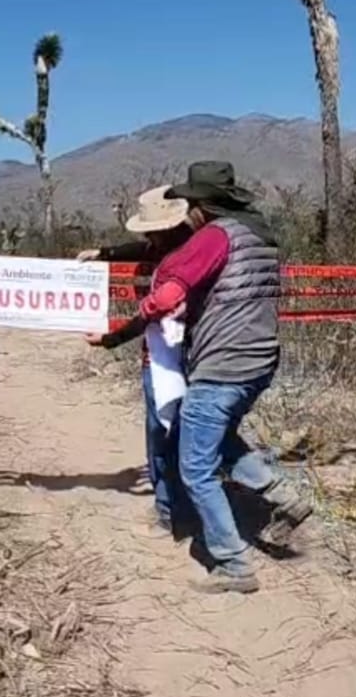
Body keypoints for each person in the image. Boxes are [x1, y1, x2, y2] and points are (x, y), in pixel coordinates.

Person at [153, 160, 311, 594]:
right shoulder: (259, 234)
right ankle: (280, 491)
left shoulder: (214, 236)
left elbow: (170, 289)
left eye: (189, 204)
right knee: (212, 435)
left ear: (201, 206)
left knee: (196, 469)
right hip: (259, 359)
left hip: (224, 363)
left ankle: (233, 565)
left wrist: (147, 309)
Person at [81, 186, 195, 537]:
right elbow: (142, 250)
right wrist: (105, 253)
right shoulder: (198, 247)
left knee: (163, 433)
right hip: (195, 353)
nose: (147, 237)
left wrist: (111, 339)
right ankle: (179, 505)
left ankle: (170, 509)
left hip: (173, 358)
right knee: (178, 431)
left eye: (152, 231)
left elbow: (150, 313)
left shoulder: (180, 264)